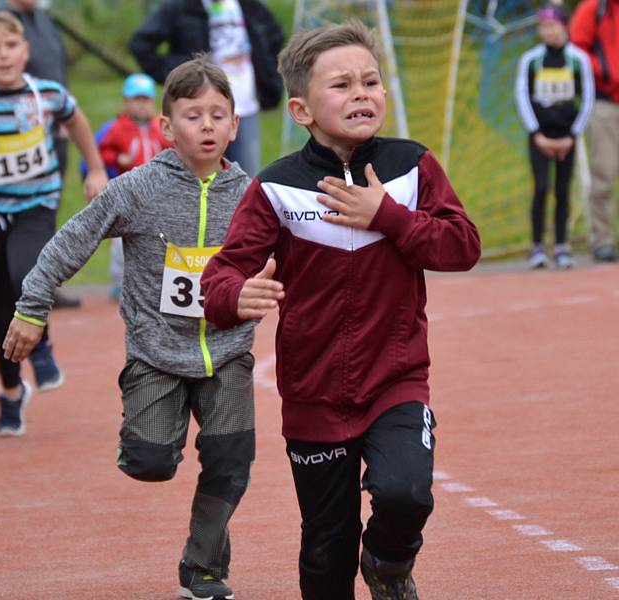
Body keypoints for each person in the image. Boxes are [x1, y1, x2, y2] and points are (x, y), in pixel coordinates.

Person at [202, 20, 482, 600]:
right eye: (342, 85)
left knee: (407, 495)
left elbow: (463, 246)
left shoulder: (411, 167)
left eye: (370, 81)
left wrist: (389, 216)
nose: (361, 93)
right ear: (302, 110)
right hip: (313, 394)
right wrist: (235, 296)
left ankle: (387, 564)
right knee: (326, 545)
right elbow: (221, 277)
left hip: (396, 381)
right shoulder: (277, 188)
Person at [2, 56, 254, 600]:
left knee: (232, 462)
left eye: (218, 115)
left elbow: (300, 258)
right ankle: (147, 432)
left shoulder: (252, 196)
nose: (207, 126)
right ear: (166, 126)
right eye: (193, 115)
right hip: (157, 351)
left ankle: (203, 567)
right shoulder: (137, 188)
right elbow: (73, 239)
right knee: (151, 462)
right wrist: (32, 306)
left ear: (235, 125)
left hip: (228, 352)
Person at [0, 11, 108, 435]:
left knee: (27, 275)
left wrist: (95, 168)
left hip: (36, 205)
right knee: (0, 308)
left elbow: (77, 120)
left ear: (25, 50)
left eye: (10, 46)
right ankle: (12, 395)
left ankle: (43, 344)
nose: (3, 55)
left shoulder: (47, 93)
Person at [129, 0, 284, 177]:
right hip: (198, 111)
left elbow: (274, 37)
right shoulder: (182, 7)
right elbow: (141, 43)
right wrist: (174, 74)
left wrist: (267, 72)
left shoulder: (249, 6)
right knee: (194, 179)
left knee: (244, 182)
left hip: (245, 108)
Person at [0, 0, 83, 307]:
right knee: (18, 214)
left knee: (46, 210)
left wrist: (63, 112)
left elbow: (57, 71)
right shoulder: (3, 22)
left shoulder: (44, 20)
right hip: (18, 138)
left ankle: (42, 284)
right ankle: (16, 284)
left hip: (54, 133)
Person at [514, 3, 594, 269]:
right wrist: (536, 133)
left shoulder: (578, 59)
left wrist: (573, 134)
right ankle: (538, 246)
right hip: (540, 136)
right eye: (542, 27)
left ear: (564, 26)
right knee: (541, 187)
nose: (547, 32)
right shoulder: (531, 60)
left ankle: (561, 245)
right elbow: (523, 96)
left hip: (567, 136)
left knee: (562, 189)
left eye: (552, 25)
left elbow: (587, 98)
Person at [98, 72, 172, 301]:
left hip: (159, 193)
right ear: (126, 102)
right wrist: (115, 159)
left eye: (145, 100)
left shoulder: (161, 127)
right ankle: (120, 283)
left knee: (162, 239)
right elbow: (101, 152)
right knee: (122, 245)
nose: (141, 106)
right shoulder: (117, 128)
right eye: (136, 100)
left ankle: (160, 282)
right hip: (129, 194)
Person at [570, 0, 619, 262]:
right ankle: (603, 239)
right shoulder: (593, 9)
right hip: (606, 103)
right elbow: (577, 50)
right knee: (604, 172)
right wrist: (607, 71)